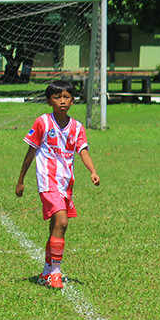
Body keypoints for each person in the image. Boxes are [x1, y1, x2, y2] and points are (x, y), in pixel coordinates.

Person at [16, 80, 100, 290]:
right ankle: (55, 273)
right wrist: (20, 180)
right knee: (62, 222)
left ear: (73, 99)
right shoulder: (43, 122)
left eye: (67, 97)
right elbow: (31, 151)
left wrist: (93, 171)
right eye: (57, 97)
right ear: (49, 101)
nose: (62, 101)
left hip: (65, 183)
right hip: (47, 181)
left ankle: (46, 271)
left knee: (55, 226)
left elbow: (83, 150)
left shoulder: (78, 127)